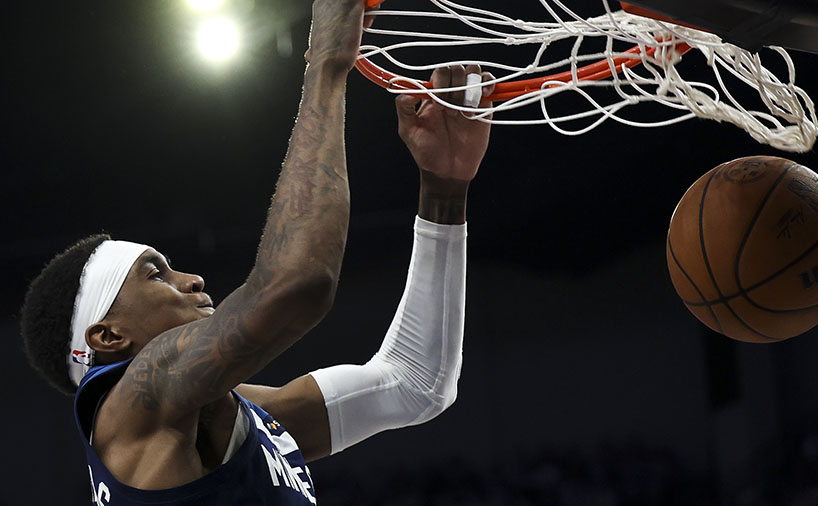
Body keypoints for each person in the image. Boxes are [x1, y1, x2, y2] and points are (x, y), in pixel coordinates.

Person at [19, 0, 494, 503]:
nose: (192, 280)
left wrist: (443, 188)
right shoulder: (139, 396)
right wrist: (326, 65)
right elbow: (297, 285)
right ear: (108, 336)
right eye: (156, 275)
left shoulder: (218, 413)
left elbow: (413, 384)